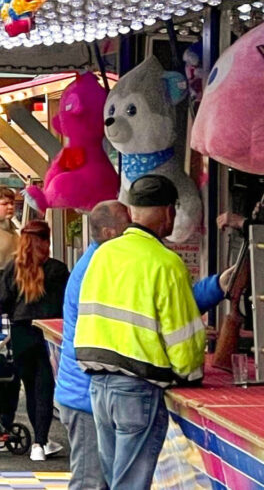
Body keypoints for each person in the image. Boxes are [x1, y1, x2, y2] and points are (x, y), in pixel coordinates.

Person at [59, 201, 233, 490]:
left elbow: (165, 301)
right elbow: (162, 308)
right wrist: (187, 370)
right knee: (95, 484)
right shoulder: (105, 263)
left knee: (109, 482)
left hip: (93, 390)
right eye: (127, 224)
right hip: (92, 394)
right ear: (108, 231)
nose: (134, 230)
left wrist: (215, 286)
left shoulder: (106, 261)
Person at [0, 220, 68, 461]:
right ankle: (40, 441)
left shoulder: (13, 268)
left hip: (21, 332)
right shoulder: (57, 270)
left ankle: (38, 445)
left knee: (30, 387)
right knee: (45, 388)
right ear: (46, 241)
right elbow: (65, 304)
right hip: (48, 333)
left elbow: (3, 301)